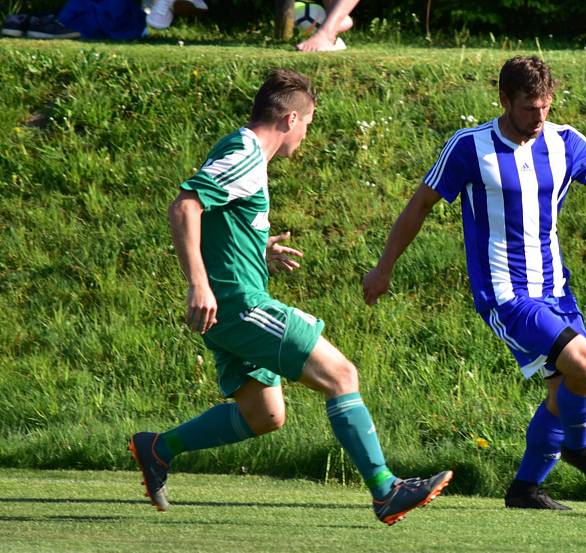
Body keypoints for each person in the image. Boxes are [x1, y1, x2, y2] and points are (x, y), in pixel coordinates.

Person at [363, 55, 586, 510]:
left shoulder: (567, 143)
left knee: (562, 392)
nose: (539, 117)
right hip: (504, 293)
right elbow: (420, 205)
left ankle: (525, 489)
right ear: (504, 100)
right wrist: (384, 268)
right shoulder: (470, 147)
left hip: (555, 289)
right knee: (584, 362)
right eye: (529, 108)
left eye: (546, 106)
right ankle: (577, 446)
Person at [129, 68, 452, 525]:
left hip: (229, 306)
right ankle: (385, 488)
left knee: (265, 415)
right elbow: (185, 206)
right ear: (291, 119)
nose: (306, 134)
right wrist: (198, 284)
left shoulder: (247, 156)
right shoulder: (244, 151)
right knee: (341, 374)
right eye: (309, 124)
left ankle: (159, 448)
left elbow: (218, 218)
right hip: (239, 304)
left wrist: (258, 247)